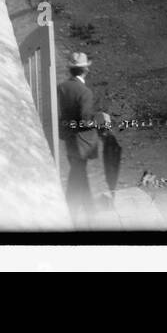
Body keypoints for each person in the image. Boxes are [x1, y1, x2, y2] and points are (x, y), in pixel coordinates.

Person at [56, 51, 107, 223]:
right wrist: (99, 121)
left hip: (69, 139)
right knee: (77, 176)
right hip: (83, 142)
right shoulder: (84, 92)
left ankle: (88, 211)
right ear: (85, 69)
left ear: (70, 70)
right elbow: (86, 121)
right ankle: (73, 213)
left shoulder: (61, 88)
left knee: (79, 174)